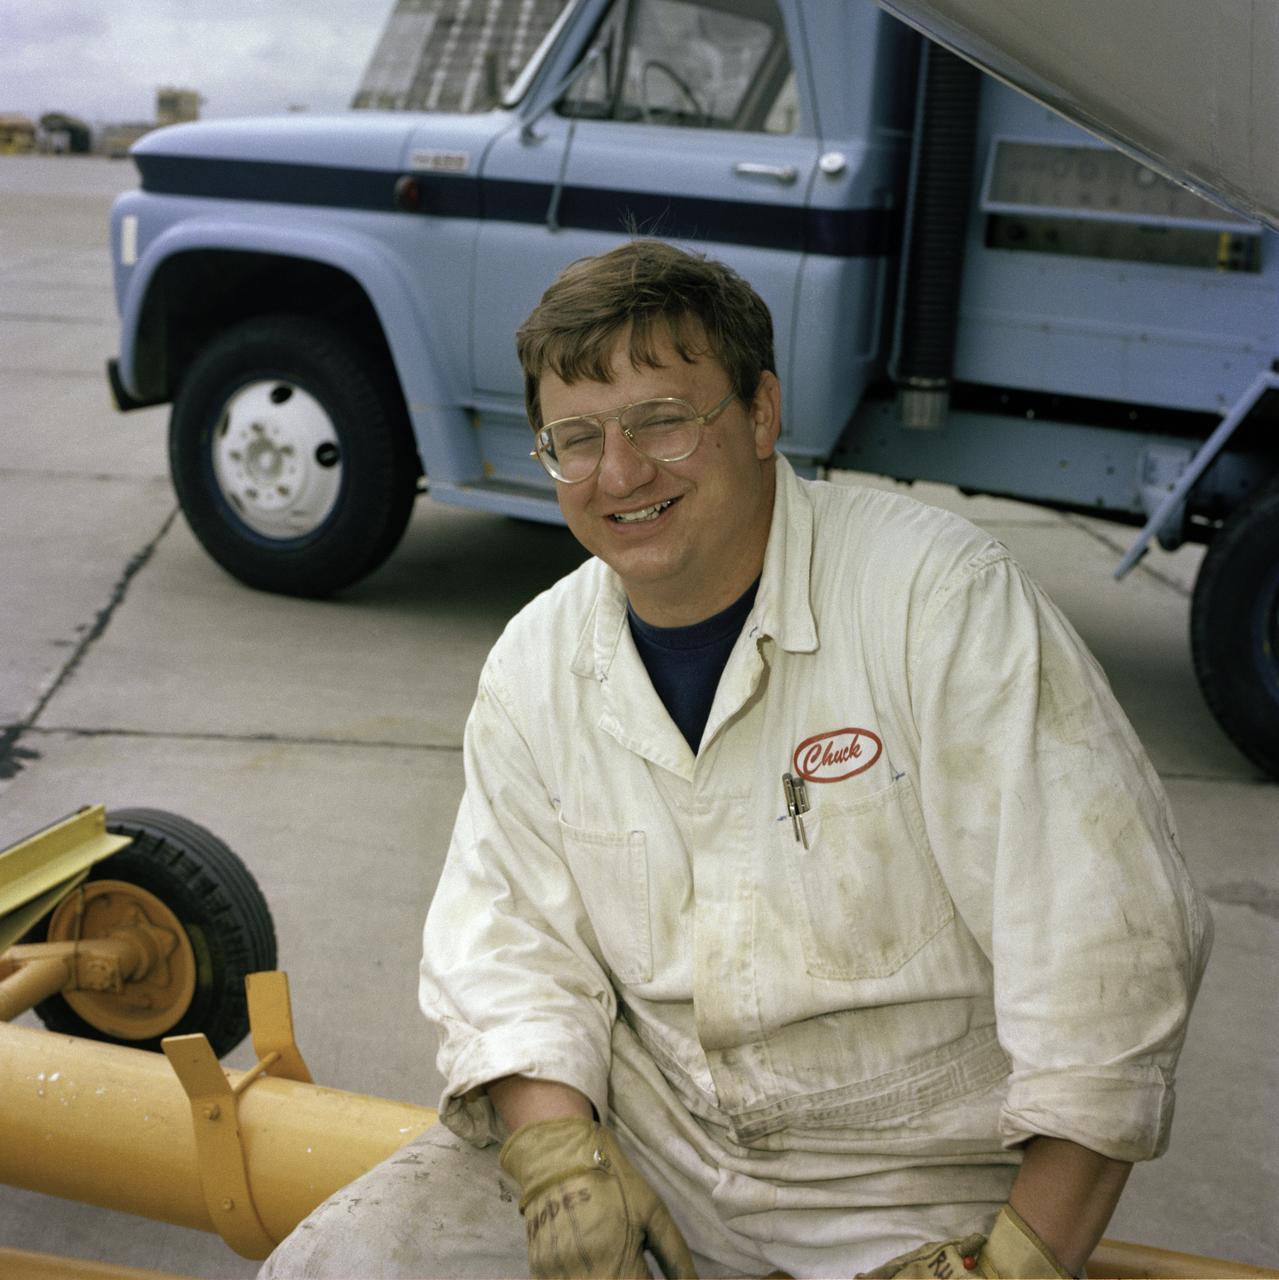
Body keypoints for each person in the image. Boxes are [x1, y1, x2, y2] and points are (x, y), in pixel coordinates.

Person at [261, 240, 1211, 1279]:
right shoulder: (535, 662)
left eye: (661, 420)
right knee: (332, 1266)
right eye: (575, 439)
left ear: (761, 414)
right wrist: (558, 1156)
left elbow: (1103, 956)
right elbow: (510, 942)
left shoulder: (938, 603)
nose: (619, 474)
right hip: (646, 1149)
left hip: (905, 1196)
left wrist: (1019, 1261)